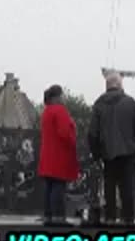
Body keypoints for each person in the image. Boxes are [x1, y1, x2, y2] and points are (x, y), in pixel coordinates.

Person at [87, 72, 135, 227]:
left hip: (107, 152)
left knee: (109, 185)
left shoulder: (99, 104)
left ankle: (110, 217)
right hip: (128, 151)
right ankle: (128, 219)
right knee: (127, 186)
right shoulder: (130, 103)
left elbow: (92, 132)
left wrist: (96, 153)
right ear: (120, 85)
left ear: (107, 86)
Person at [37, 85, 79, 227]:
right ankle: (58, 217)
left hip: (47, 155)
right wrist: (73, 135)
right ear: (56, 97)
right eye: (61, 95)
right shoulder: (60, 111)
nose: (63, 98)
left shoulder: (46, 112)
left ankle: (48, 216)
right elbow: (65, 133)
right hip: (59, 155)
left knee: (49, 186)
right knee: (58, 186)